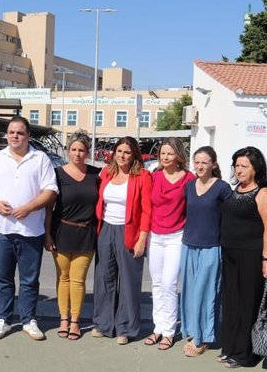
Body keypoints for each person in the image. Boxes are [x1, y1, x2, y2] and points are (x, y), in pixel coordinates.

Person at [0, 116, 58, 341]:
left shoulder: (40, 158)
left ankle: (28, 320)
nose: (15, 136)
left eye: (20, 132)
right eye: (11, 132)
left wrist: (28, 208)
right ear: (6, 135)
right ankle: (3, 320)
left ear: (28, 135)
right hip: (1, 230)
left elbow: (51, 191)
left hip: (31, 231)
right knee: (3, 278)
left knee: (28, 280)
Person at [218, 146, 267, 368]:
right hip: (230, 255)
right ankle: (231, 347)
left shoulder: (264, 193)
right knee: (231, 302)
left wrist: (266, 260)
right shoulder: (237, 189)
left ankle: (246, 354)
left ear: (256, 168)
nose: (239, 170)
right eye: (237, 165)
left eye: (244, 166)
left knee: (247, 304)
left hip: (251, 256)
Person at [93, 136, 152, 345]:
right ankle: (103, 323)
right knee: (104, 278)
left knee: (128, 281)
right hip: (106, 229)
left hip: (130, 231)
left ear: (134, 154)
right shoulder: (106, 173)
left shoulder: (143, 176)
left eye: (127, 152)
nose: (122, 156)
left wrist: (142, 238)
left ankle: (126, 328)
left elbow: (147, 210)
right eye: (119, 151)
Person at [45, 130, 98, 340]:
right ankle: (63, 319)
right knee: (63, 278)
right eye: (73, 149)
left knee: (78, 279)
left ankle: (75, 321)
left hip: (87, 233)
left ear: (88, 152)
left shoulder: (97, 174)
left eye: (81, 150)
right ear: (68, 151)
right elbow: (49, 208)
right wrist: (47, 234)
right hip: (61, 231)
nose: (77, 154)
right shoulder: (57, 174)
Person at [179, 146, 232, 357]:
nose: (200, 166)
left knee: (206, 293)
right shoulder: (189, 186)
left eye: (204, 162)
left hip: (212, 247)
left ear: (214, 165)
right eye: (197, 162)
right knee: (190, 293)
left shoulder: (222, 188)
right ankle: (193, 332)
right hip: (188, 245)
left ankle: (203, 338)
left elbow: (233, 217)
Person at [146, 137, 194, 351]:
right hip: (154, 236)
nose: (165, 157)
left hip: (177, 236)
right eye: (162, 153)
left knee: (169, 284)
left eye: (170, 153)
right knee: (156, 283)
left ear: (178, 156)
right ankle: (158, 327)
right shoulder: (153, 177)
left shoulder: (189, 178)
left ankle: (169, 331)